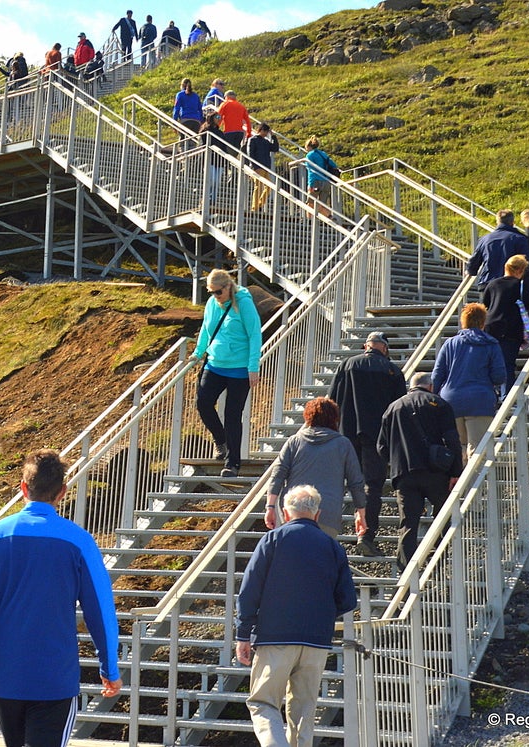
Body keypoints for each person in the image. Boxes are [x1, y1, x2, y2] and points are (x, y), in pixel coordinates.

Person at [0, 449, 122, 747]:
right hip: (54, 681)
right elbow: (100, 611)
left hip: (5, 680)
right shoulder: (79, 541)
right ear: (62, 492)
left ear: (23, 488)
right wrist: (109, 668)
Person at [235, 484, 356, 747]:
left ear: (286, 514)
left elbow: (249, 590)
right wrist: (321, 613)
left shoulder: (272, 540)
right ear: (317, 513)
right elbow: (348, 599)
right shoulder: (333, 547)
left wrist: (243, 634)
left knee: (262, 702)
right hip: (316, 640)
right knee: (303, 713)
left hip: (274, 637)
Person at [329, 330, 406, 557]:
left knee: (338, 484)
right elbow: (399, 410)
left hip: (346, 436)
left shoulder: (346, 365)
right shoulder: (393, 370)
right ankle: (366, 534)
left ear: (366, 346)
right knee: (372, 486)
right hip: (378, 438)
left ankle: (326, 535)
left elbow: (331, 400)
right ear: (384, 348)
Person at [378, 373, 463, 572]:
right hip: (437, 473)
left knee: (407, 525)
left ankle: (406, 573)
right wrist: (455, 472)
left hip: (405, 475)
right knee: (442, 520)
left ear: (411, 386)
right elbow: (453, 441)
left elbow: (381, 447)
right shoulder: (439, 404)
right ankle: (438, 564)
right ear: (430, 386)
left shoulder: (393, 408)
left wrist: (395, 463)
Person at [265, 397, 367, 539]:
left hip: (294, 511)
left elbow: (278, 475)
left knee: (295, 559)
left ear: (307, 417)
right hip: (328, 513)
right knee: (320, 558)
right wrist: (360, 513)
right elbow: (356, 482)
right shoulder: (343, 444)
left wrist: (270, 507)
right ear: (335, 418)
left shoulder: (294, 441)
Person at [193, 269, 262, 478]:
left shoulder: (244, 304)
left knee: (232, 415)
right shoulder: (212, 304)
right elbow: (206, 329)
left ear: (228, 287)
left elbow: (254, 335)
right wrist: (198, 353)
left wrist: (253, 367)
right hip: (214, 364)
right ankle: (220, 439)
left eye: (218, 292)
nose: (215, 296)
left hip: (239, 368)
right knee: (203, 402)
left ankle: (232, 463)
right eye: (211, 292)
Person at [432, 303, 506, 460]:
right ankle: (475, 484)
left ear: (463, 321)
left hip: (451, 402)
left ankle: (459, 483)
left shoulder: (449, 343)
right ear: (483, 322)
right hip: (480, 401)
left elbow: (437, 376)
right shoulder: (491, 344)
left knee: (456, 450)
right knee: (478, 451)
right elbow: (499, 376)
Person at [482, 254, 529, 396]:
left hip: (491, 328)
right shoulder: (520, 286)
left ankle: (491, 394)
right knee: (507, 364)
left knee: (490, 364)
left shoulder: (492, 284)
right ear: (520, 271)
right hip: (510, 329)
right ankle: (507, 397)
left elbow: (485, 303)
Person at [466, 209, 529, 292]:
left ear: (498, 222)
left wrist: (470, 271)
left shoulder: (484, 239)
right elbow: (526, 263)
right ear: (512, 222)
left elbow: (474, 262)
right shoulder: (520, 239)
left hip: (487, 283)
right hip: (509, 284)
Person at [292, 136, 339, 218]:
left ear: (308, 146)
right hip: (326, 181)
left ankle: (309, 221)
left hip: (315, 181)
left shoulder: (309, 155)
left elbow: (309, 168)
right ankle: (329, 217)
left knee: (310, 202)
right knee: (322, 204)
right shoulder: (323, 154)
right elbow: (334, 165)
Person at [244, 122, 279, 212]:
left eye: (267, 132)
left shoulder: (266, 142)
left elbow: (275, 148)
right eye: (265, 131)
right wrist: (254, 166)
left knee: (269, 187)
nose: (266, 133)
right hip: (257, 167)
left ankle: (259, 204)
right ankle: (254, 207)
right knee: (258, 187)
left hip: (266, 167)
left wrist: (273, 137)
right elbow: (250, 153)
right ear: (260, 130)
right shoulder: (253, 139)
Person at [199, 112, 231, 202]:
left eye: (220, 117)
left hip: (219, 160)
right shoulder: (206, 130)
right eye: (217, 117)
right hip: (209, 159)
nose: (219, 119)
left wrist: (226, 161)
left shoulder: (221, 133)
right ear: (211, 118)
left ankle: (213, 200)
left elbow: (224, 147)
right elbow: (203, 144)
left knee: (217, 182)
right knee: (211, 179)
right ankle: (206, 198)